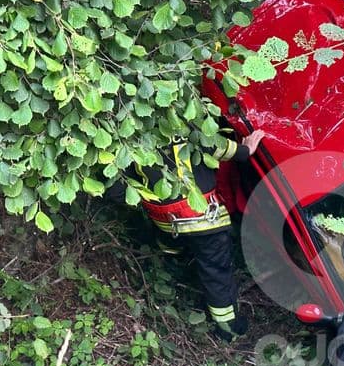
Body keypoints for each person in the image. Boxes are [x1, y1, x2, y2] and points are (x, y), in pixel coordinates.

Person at [108, 130, 265, 341]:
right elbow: (217, 146)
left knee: (174, 252)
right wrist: (245, 150)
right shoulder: (182, 123)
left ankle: (179, 288)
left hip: (165, 222)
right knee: (216, 274)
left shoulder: (125, 137)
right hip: (204, 219)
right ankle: (229, 329)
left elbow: (117, 191)